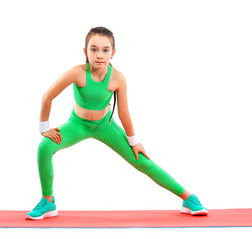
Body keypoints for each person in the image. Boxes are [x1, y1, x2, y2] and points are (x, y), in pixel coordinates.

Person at [25, 27, 208, 220]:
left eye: (105, 50)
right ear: (85, 51)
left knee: (141, 161)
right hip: (77, 124)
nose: (99, 55)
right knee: (44, 147)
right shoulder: (77, 72)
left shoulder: (118, 78)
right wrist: (44, 129)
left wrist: (134, 141)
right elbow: (47, 96)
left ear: (113, 53)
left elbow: (124, 114)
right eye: (93, 49)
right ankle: (48, 201)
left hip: (105, 126)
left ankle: (188, 197)